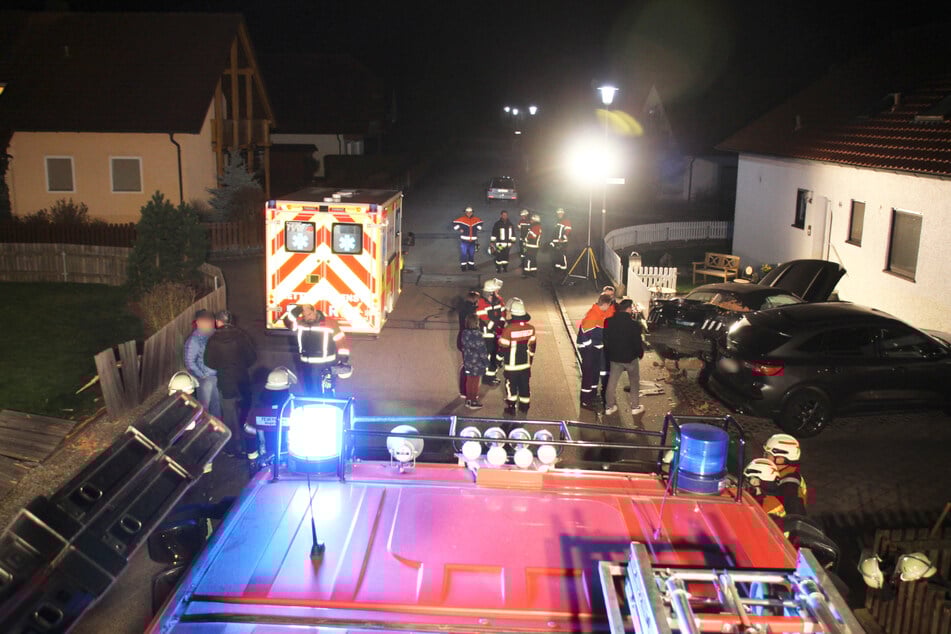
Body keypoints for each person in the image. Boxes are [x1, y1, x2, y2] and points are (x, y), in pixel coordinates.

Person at [204, 310, 257, 458]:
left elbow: (208, 362)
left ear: (218, 322)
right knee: (245, 412)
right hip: (242, 380)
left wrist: (222, 366)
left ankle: (232, 448)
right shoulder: (242, 336)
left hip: (226, 382)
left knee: (229, 416)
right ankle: (250, 446)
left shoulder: (213, 339)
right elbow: (252, 356)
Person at [283, 304, 351, 395]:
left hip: (326, 365)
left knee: (327, 392)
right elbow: (288, 322)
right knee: (309, 391)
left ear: (314, 311)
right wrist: (298, 309)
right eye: (305, 315)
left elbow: (340, 340)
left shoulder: (329, 323)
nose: (308, 317)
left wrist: (343, 360)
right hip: (306, 364)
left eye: (310, 314)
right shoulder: (300, 323)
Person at [247, 366, 297, 468]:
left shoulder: (256, 411)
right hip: (290, 461)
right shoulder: (293, 410)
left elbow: (249, 435)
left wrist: (253, 460)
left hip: (265, 461)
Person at [603, 299, 645, 417]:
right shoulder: (634, 325)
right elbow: (637, 343)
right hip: (630, 358)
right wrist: (639, 353)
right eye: (631, 308)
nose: (632, 310)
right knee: (634, 382)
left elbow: (605, 339)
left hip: (615, 357)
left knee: (612, 382)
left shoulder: (608, 321)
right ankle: (635, 407)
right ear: (628, 309)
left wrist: (610, 352)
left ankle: (609, 407)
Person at [497, 298, 536, 414]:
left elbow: (503, 347)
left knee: (511, 386)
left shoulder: (509, 329)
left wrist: (498, 360)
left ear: (513, 315)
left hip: (512, 366)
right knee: (525, 385)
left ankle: (511, 407)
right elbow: (532, 347)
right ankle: (524, 406)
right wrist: (530, 361)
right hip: (525, 364)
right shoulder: (531, 328)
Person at [576, 293, 614, 410]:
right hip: (588, 349)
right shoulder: (593, 316)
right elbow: (585, 337)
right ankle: (585, 400)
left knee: (595, 372)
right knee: (588, 373)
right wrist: (591, 348)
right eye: (609, 305)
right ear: (605, 304)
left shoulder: (600, 313)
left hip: (595, 348)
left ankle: (592, 394)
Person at [183, 309, 220, 417]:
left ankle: (217, 431)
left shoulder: (215, 334)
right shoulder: (194, 340)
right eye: (206, 321)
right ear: (198, 322)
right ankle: (204, 431)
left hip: (217, 376)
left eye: (210, 321)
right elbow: (189, 362)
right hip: (205, 379)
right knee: (204, 409)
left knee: (216, 406)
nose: (209, 324)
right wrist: (202, 375)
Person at [764, 434, 808, 512]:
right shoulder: (779, 472)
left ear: (781, 459)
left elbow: (796, 515)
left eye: (769, 455)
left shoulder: (790, 486)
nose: (766, 458)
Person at [475, 278, 505, 385]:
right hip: (486, 333)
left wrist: (500, 326)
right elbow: (484, 319)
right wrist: (495, 327)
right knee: (489, 354)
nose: (498, 291)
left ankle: (491, 374)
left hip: (496, 331)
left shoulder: (499, 299)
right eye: (496, 290)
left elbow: (502, 314)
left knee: (495, 353)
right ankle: (488, 377)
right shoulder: (481, 303)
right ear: (491, 292)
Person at [457, 290, 481, 398]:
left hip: (462, 339)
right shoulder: (472, 312)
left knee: (465, 365)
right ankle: (467, 392)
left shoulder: (463, 309)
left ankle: (463, 390)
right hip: (469, 341)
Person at [460, 314, 487, 409]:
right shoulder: (478, 334)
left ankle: (468, 399)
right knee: (475, 381)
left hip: (468, 361)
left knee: (469, 380)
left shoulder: (464, 333)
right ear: (476, 323)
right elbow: (482, 350)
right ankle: (473, 401)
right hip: (477, 362)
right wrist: (486, 362)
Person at [452, 206, 483, 271]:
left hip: (473, 240)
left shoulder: (476, 219)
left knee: (471, 254)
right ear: (465, 212)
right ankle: (463, 267)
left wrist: (477, 228)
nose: (469, 213)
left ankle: (471, 266)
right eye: (467, 212)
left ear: (472, 212)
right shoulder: (461, 219)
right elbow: (454, 224)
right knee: (464, 253)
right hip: (464, 240)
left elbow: (480, 224)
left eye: (470, 212)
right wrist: (459, 229)